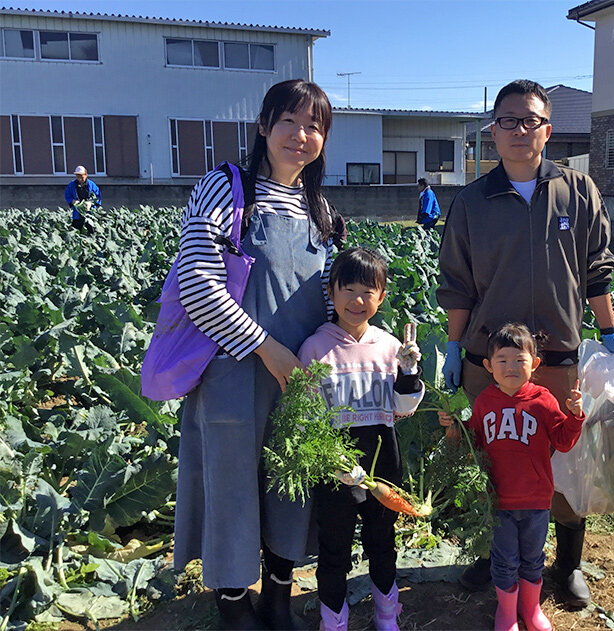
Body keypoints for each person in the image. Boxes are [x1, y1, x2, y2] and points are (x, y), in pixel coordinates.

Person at [436, 79, 614, 609]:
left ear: (548, 129)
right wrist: (454, 349)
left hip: (557, 356)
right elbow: (457, 283)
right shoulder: (473, 201)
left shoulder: (578, 191)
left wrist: (608, 333)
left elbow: (597, 271)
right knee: (490, 461)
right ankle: (487, 554)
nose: (520, 130)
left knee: (563, 464)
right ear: (492, 130)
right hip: (489, 362)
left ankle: (567, 565)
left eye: (531, 120)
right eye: (509, 120)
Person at [172, 79, 345, 631]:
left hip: (299, 379)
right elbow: (198, 283)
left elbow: (330, 299)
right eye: (289, 122)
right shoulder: (227, 189)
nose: (301, 135)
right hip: (233, 372)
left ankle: (277, 595)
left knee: (292, 481)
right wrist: (267, 349)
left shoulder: (318, 207)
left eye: (314, 126)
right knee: (231, 482)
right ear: (264, 126)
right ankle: (231, 602)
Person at [297, 247, 425, 631]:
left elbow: (404, 407)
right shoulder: (316, 348)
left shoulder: (389, 347)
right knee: (334, 549)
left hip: (383, 465)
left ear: (382, 296)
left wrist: (408, 371)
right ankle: (334, 620)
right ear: (331, 293)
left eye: (368, 291)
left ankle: (387, 613)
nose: (357, 300)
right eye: (348, 289)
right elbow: (304, 420)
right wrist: (332, 462)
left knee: (382, 541)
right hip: (334, 469)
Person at [441, 323, 584, 631]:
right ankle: (506, 613)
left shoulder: (543, 401)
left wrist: (573, 416)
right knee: (504, 561)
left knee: (532, 559)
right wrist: (454, 428)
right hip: (498, 500)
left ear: (534, 364)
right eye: (503, 360)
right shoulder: (485, 402)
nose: (511, 367)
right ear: (489, 366)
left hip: (536, 499)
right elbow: (473, 443)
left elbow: (563, 441)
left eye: (519, 360)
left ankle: (531, 610)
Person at [64, 165, 101, 234]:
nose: (79, 178)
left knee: (92, 232)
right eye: (77, 176)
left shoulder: (92, 185)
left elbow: (97, 197)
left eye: (81, 176)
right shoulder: (72, 185)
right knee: (76, 232)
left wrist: (91, 203)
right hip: (77, 214)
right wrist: (72, 201)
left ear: (86, 175)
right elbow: (67, 196)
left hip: (90, 214)